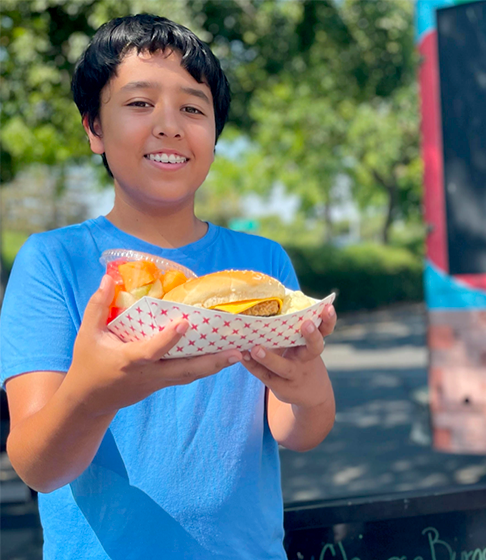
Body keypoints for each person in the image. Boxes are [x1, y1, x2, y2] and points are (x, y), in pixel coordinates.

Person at [0, 14, 337, 560]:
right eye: (138, 103)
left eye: (193, 108)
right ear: (94, 128)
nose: (169, 124)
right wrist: (93, 395)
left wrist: (306, 384)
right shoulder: (53, 261)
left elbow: (298, 429)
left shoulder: (262, 262)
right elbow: (39, 467)